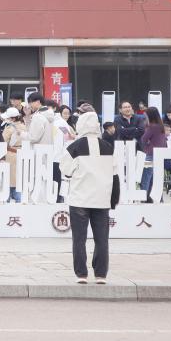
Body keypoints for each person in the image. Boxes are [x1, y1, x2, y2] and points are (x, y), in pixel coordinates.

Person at [59, 111, 116, 284]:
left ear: (80, 125)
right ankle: (101, 274)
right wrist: (114, 199)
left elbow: (65, 170)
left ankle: (81, 274)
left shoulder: (75, 147)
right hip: (102, 199)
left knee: (79, 239)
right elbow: (115, 173)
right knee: (102, 239)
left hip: (80, 199)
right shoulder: (108, 147)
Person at [139, 106, 167, 203]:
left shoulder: (152, 126)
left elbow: (143, 139)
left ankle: (143, 197)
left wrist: (147, 145)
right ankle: (151, 197)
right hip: (159, 155)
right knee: (154, 177)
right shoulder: (161, 126)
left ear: (149, 115)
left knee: (146, 177)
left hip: (150, 155)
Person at [1, 107, 25, 202]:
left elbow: (3, 142)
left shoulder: (9, 128)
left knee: (8, 182)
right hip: (23, 154)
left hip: (11, 154)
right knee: (20, 182)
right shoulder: (24, 126)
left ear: (13, 118)